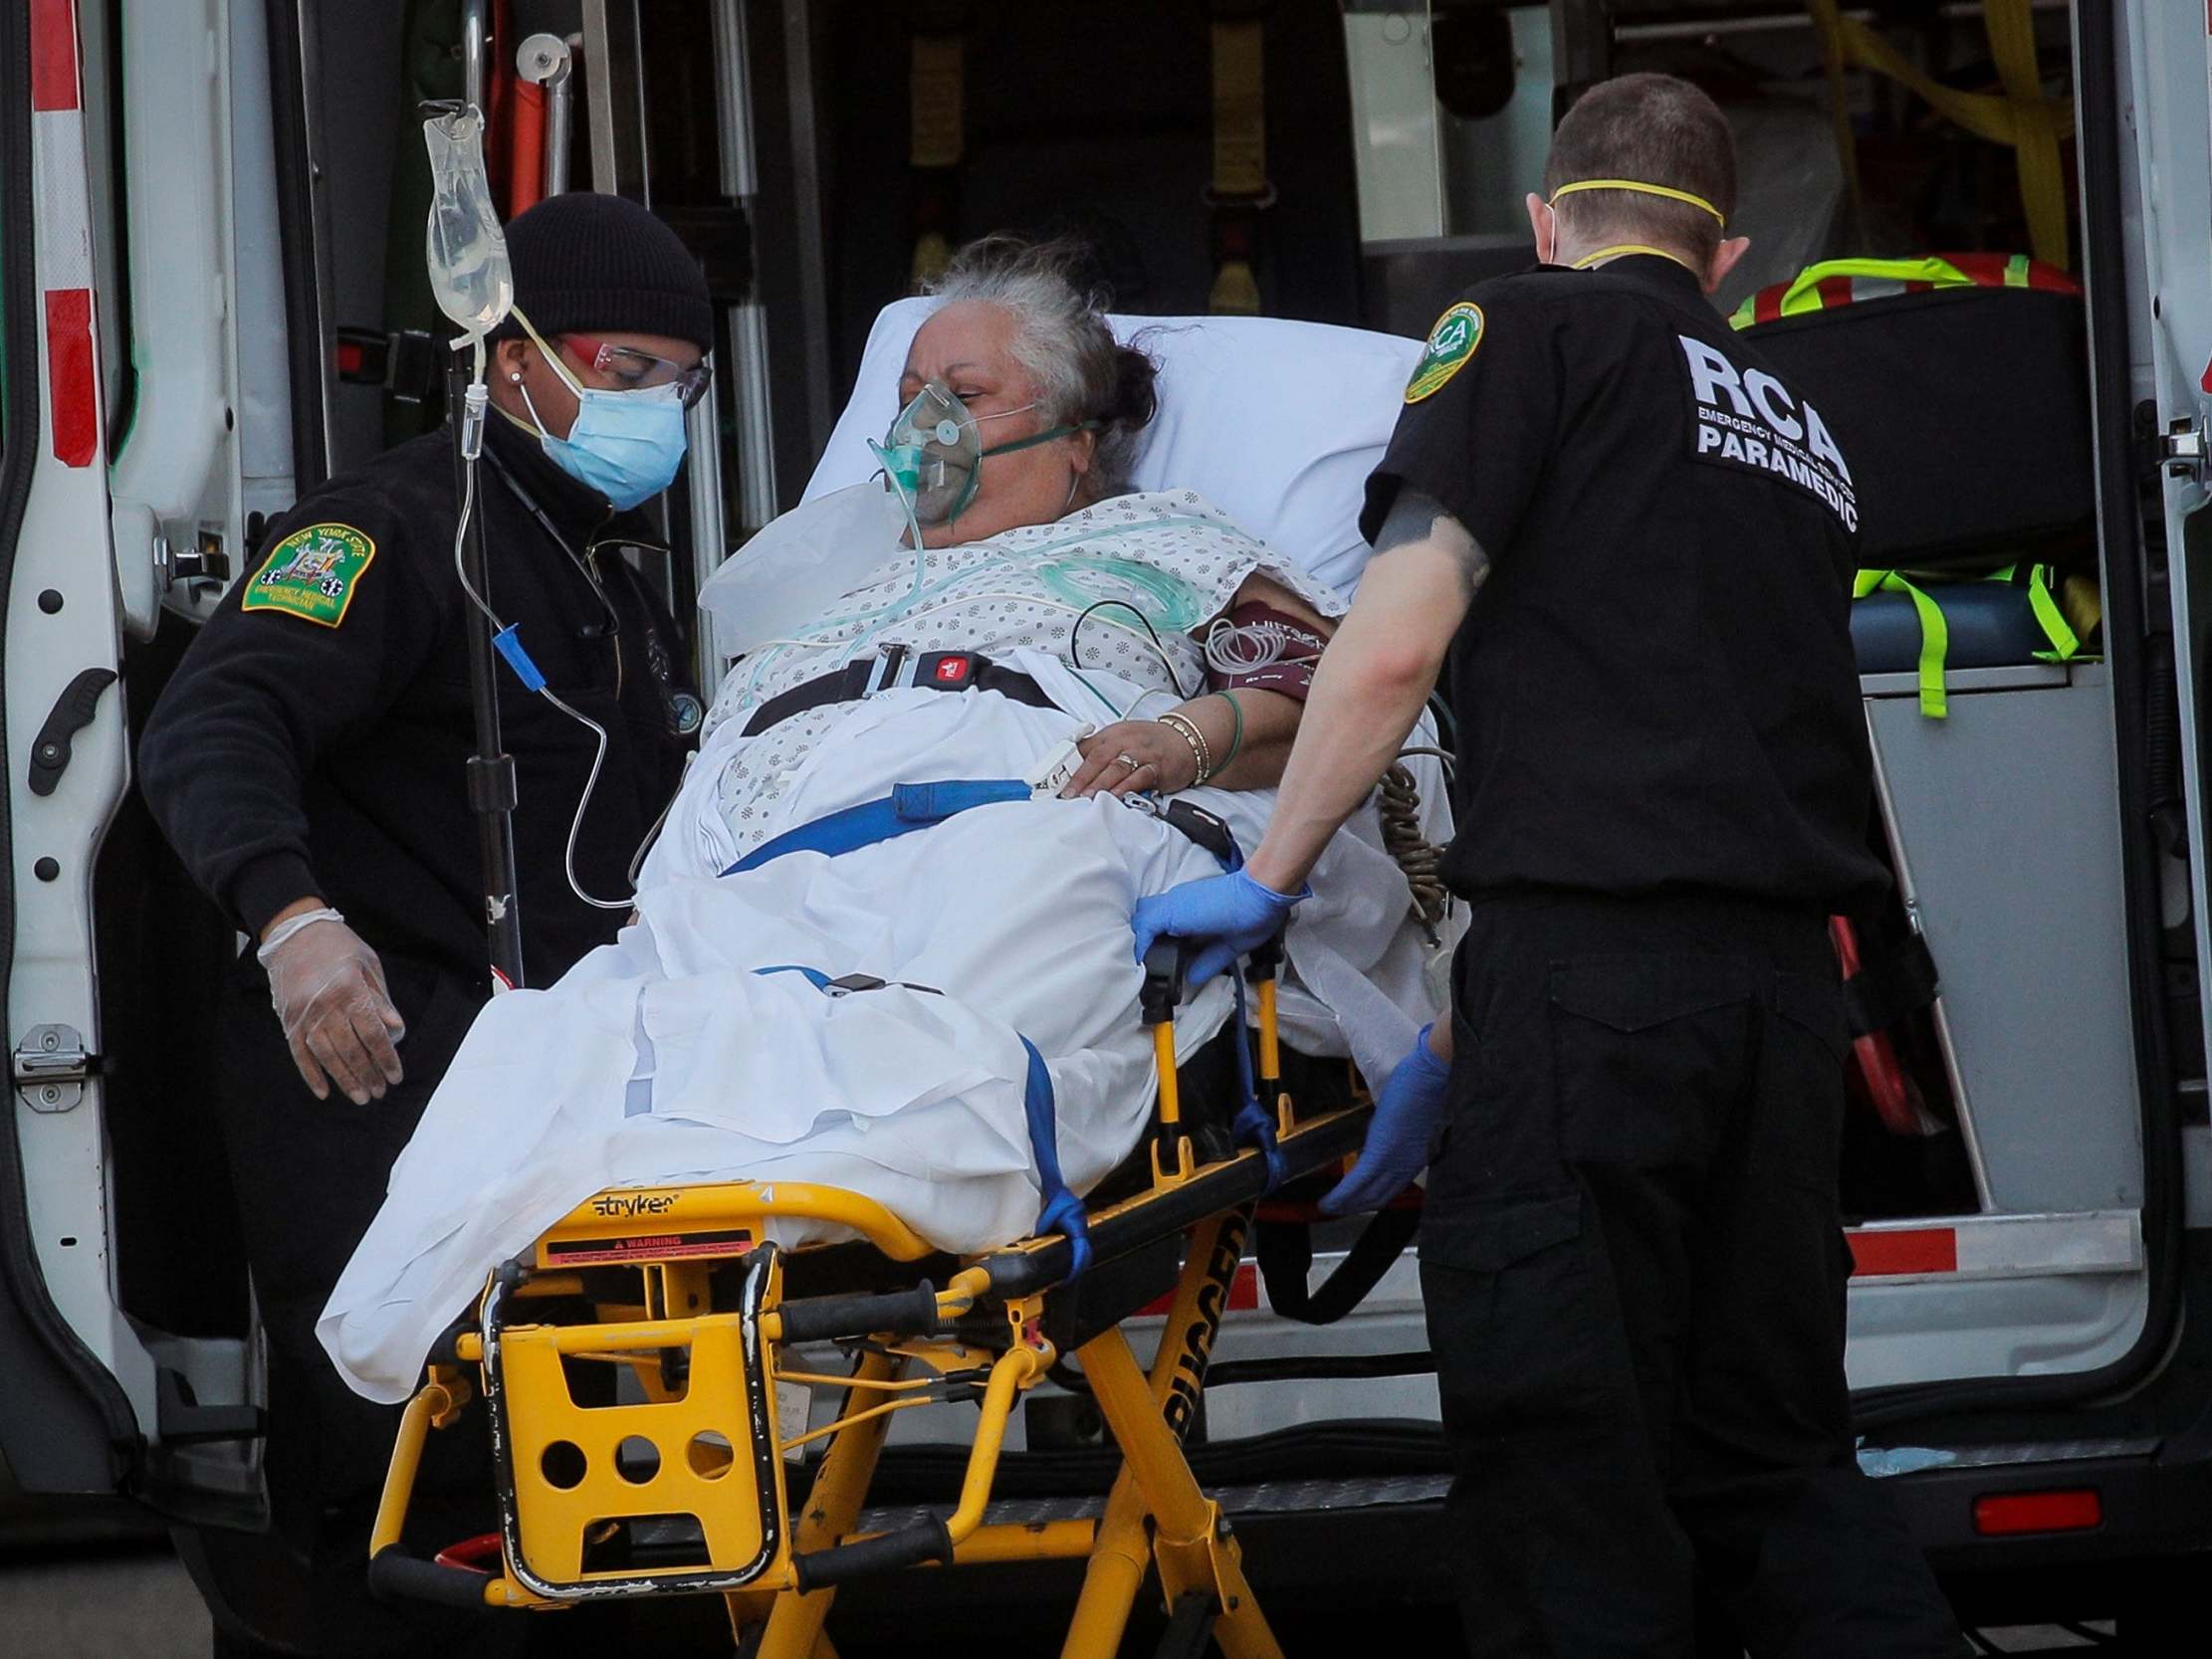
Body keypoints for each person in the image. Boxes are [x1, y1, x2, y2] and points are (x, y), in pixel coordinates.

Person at [315, 236, 1448, 1408]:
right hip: (790, 855)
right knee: (579, 1019)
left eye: (962, 397)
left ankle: (844, 1171)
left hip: (1029, 815)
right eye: (908, 397)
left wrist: (1183, 739)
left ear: (1071, 441)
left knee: (1027, 893)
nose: (922, 426)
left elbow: (1324, 687)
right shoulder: (832, 593)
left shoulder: (1164, 545)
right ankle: (680, 1184)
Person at [1135, 74, 1967, 1657]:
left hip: (1593, 1001)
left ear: (1544, 219)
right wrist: (1458, 1037)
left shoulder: (1525, 332)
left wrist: (1275, 873)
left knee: (1564, 1482)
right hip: (1782, 1011)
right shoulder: (1797, 427)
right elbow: (1693, 742)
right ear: (1721, 258)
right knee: (1773, 1467)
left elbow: (1391, 640)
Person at [138, 189, 711, 1656]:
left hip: (542, 1089)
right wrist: (294, 922)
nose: (659, 409)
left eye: (683, 381)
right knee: (397, 1504)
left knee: (590, 1509)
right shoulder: (390, 535)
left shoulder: (607, 578)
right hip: (368, 1073)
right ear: (511, 356)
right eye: (626, 369)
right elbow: (218, 717)